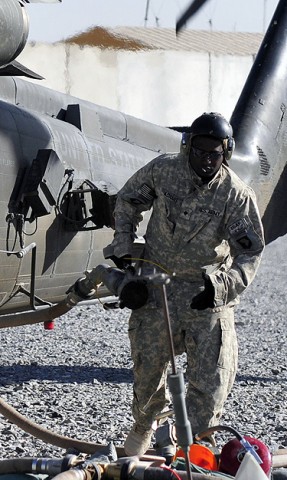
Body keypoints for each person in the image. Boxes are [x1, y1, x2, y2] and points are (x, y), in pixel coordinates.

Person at [103, 112, 265, 457]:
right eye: (200, 151)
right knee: (147, 369)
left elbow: (249, 255)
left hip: (204, 297)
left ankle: (195, 444)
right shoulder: (163, 171)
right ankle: (143, 430)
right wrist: (122, 245)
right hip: (157, 289)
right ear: (187, 147)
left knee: (210, 382)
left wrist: (221, 287)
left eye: (215, 154)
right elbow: (129, 199)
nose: (207, 160)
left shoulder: (235, 195)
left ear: (227, 153)